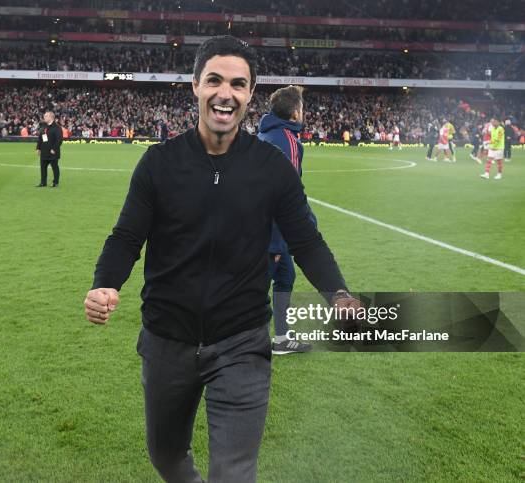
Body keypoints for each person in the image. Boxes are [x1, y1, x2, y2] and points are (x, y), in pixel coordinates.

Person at [84, 35, 360, 483]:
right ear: (195, 85)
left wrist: (338, 294)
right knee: (166, 457)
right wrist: (105, 282)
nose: (225, 93)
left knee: (234, 472)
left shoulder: (271, 169)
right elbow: (126, 236)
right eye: (214, 80)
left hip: (242, 341)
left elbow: (306, 240)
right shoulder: (159, 163)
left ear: (250, 94)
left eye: (237, 83)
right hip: (167, 339)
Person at [257, 85, 312, 355]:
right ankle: (233, 343)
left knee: (285, 276)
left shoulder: (264, 135)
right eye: (302, 108)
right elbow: (282, 196)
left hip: (254, 226)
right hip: (267, 233)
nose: (304, 113)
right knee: (255, 288)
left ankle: (281, 337)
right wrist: (277, 244)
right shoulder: (288, 142)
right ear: (294, 113)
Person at [36, 111, 63, 187]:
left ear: (51, 117)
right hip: (44, 151)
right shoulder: (44, 127)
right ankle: (43, 182)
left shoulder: (57, 127)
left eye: (46, 116)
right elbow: (40, 138)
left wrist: (54, 149)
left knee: (55, 167)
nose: (44, 117)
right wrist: (38, 148)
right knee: (43, 168)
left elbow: (59, 140)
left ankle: (55, 182)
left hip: (52, 152)